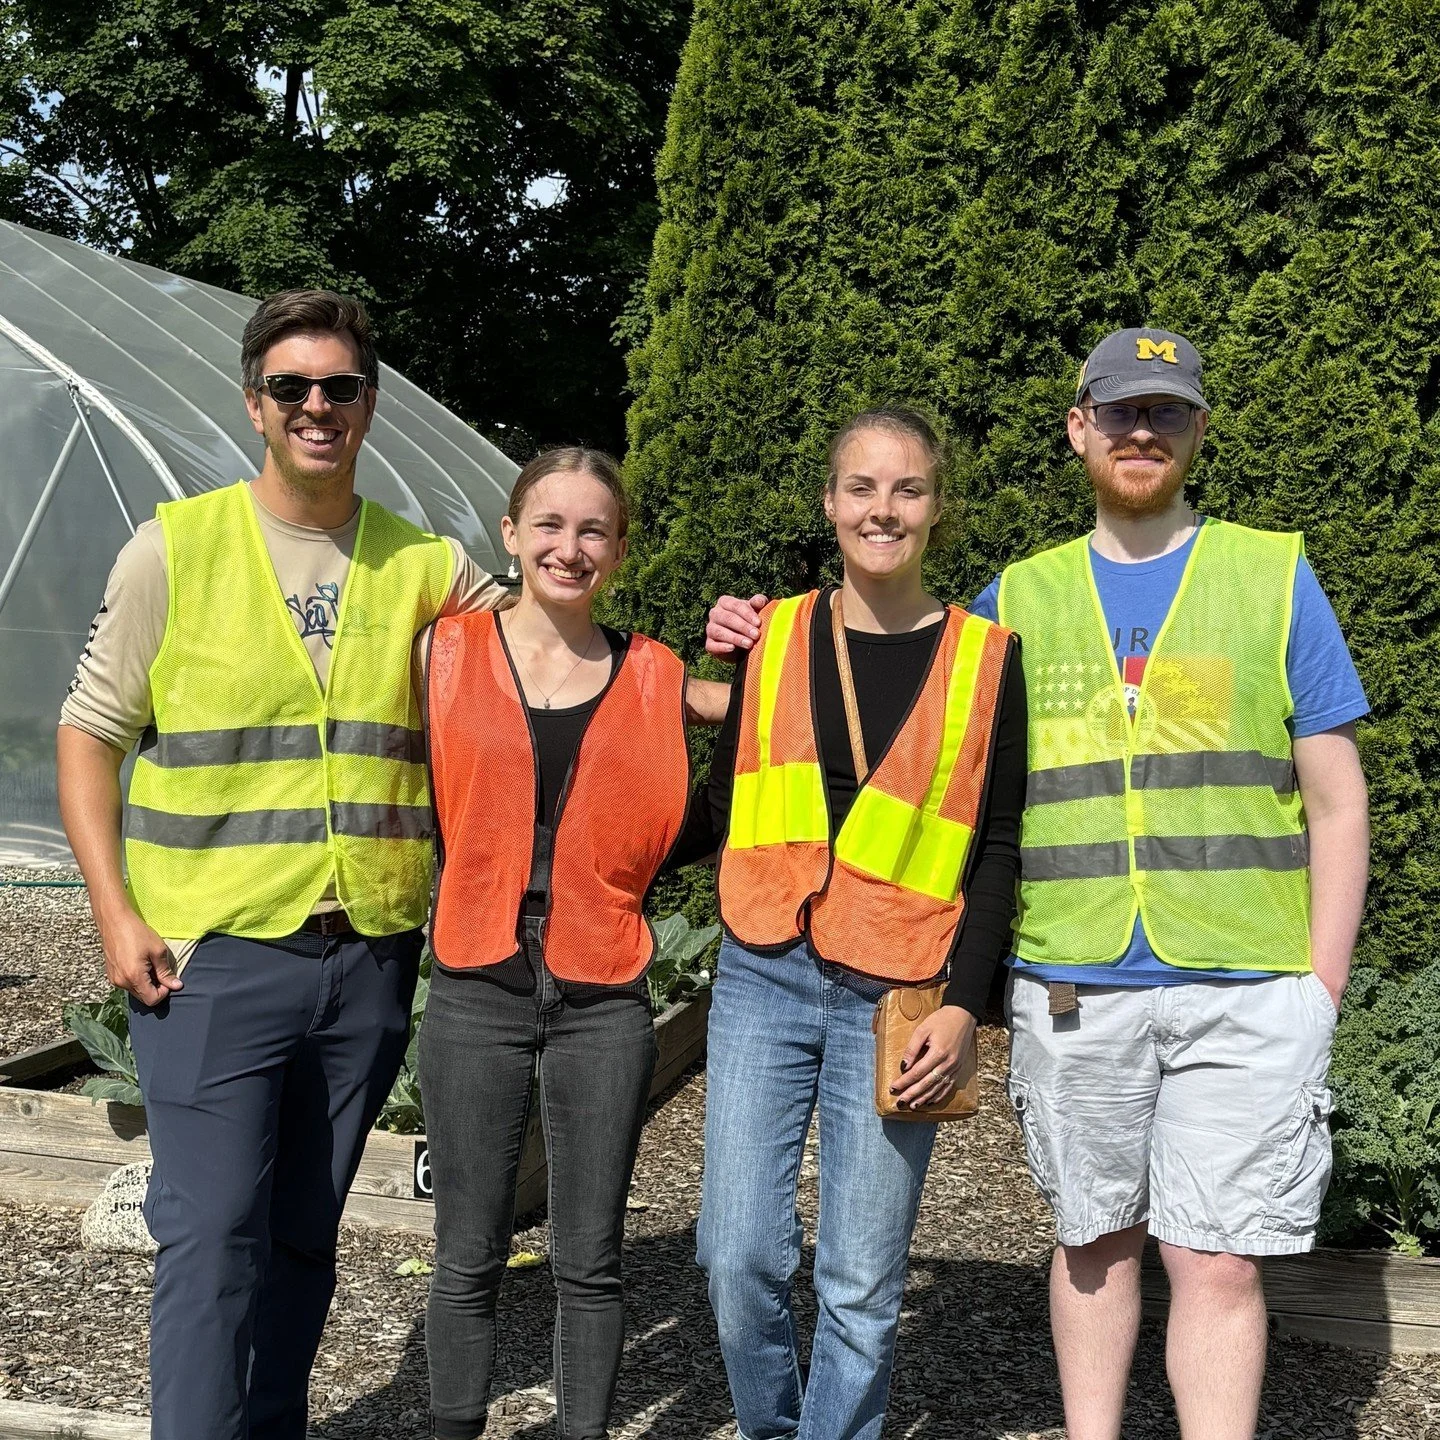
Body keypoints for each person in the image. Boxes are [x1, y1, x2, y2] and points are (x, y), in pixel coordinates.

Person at [707, 333, 1371, 1440]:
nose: (1142, 430)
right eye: (1119, 411)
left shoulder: (1272, 573)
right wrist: (743, 645)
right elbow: (901, 710)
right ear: (1080, 428)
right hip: (1075, 981)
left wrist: (1321, 988)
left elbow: (1340, 797)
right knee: (1095, 1246)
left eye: (1166, 411)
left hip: (1247, 983)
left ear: (1199, 429)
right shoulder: (1016, 601)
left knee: (1215, 1267)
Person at [61, 288, 501, 1440]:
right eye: (293, 387)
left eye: (340, 387)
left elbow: (555, 658)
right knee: (210, 1237)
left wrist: (717, 679)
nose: (318, 406)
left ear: (369, 403)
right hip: (211, 961)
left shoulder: (427, 566)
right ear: (255, 403)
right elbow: (88, 736)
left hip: (363, 962)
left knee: (306, 1236)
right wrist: (115, 915)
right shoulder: (175, 547)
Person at [695, 408, 1027, 1440]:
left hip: (902, 985)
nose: (882, 510)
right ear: (831, 503)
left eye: (907, 490)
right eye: (861, 489)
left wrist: (968, 1004)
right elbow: (725, 798)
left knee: (860, 1282)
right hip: (763, 967)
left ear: (937, 508)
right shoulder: (774, 633)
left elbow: (1000, 846)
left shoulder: (988, 658)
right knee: (735, 1252)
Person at [419, 446, 725, 1440]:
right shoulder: (444, 652)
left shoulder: (655, 672)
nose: (569, 545)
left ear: (620, 551)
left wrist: (759, 662)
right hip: (475, 980)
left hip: (606, 993)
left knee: (589, 1256)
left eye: (593, 529)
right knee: (466, 1249)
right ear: (509, 536)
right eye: (548, 524)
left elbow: (733, 780)